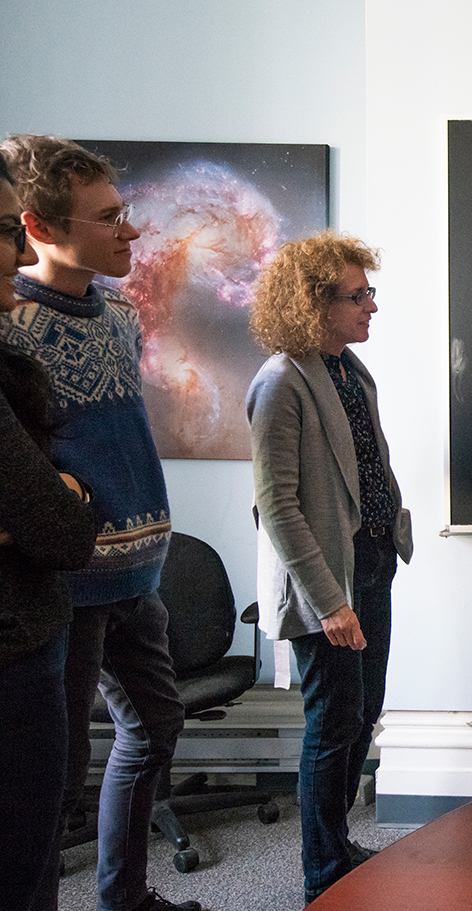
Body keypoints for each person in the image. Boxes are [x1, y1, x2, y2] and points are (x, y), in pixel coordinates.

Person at [0, 135, 198, 911]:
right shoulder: (11, 324)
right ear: (42, 228)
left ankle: (125, 896)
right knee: (53, 778)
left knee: (155, 726)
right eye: (110, 217)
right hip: (66, 584)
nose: (131, 231)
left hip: (138, 573)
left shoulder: (119, 310)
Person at [246, 231, 412, 904]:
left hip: (370, 561)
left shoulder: (348, 370)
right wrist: (328, 602)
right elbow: (277, 506)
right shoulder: (281, 380)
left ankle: (338, 844)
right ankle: (323, 872)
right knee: (333, 720)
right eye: (358, 295)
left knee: (363, 711)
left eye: (369, 291)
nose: (371, 305)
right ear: (313, 302)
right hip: (326, 583)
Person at [0, 153, 98, 911]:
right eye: (7, 233)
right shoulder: (27, 330)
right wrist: (66, 497)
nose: (19, 254)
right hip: (19, 646)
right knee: (28, 863)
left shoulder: (114, 321)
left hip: (48, 618)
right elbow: (60, 526)